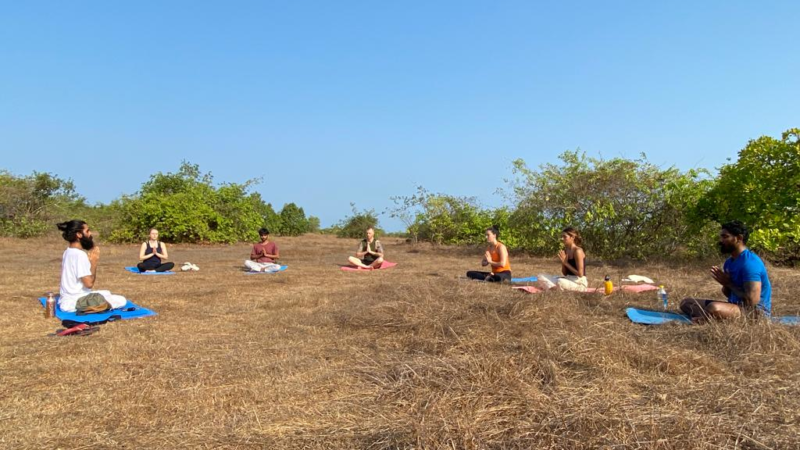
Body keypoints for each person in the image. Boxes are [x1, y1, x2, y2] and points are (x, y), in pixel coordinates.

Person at [680, 221, 771, 321]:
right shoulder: (729, 262)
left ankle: (704, 319)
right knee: (686, 303)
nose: (721, 241)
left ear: (739, 238)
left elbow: (752, 301)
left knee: (714, 308)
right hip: (735, 306)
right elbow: (729, 294)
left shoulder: (750, 263)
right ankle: (710, 317)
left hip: (754, 313)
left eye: (725, 237)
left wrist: (729, 283)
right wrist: (725, 284)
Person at [56, 220, 127, 313]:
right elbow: (89, 284)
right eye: (87, 231)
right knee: (122, 300)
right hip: (75, 301)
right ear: (79, 234)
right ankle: (93, 308)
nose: (90, 234)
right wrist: (93, 262)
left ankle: (96, 305)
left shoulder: (68, 251)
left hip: (67, 299)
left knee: (106, 292)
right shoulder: (79, 255)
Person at [536, 227, 588, 292]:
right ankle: (555, 288)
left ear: (572, 237)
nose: (562, 239)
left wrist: (566, 263)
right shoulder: (566, 251)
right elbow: (565, 273)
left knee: (560, 281)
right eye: (562, 236)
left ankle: (553, 288)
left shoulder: (578, 251)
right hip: (568, 279)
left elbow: (580, 274)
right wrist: (563, 263)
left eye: (564, 237)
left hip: (579, 283)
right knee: (540, 276)